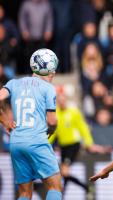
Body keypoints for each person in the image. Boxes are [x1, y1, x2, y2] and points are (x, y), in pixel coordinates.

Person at [0, 49, 62, 200]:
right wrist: (52, 130)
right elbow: (52, 121)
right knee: (55, 187)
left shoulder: (14, 83)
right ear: (51, 71)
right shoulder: (48, 88)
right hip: (37, 140)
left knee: (24, 193)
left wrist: (4, 121)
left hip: (16, 142)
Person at [48, 88, 111, 195]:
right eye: (60, 100)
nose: (62, 102)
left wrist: (89, 143)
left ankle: (83, 188)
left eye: (63, 100)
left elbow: (82, 128)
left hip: (73, 144)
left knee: (64, 171)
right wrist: (47, 143)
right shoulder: (56, 114)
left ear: (66, 100)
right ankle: (87, 188)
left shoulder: (73, 112)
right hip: (63, 146)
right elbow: (54, 132)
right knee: (64, 174)